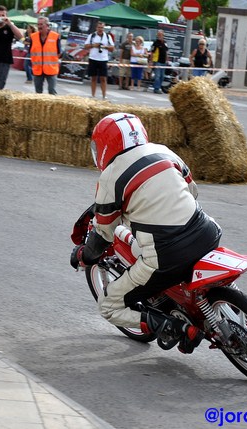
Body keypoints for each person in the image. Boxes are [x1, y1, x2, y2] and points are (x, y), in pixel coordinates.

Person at [70, 112, 222, 354]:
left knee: (108, 306)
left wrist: (86, 256)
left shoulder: (110, 178)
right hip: (208, 231)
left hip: (167, 256)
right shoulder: (164, 151)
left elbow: (104, 233)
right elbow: (191, 190)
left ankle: (178, 327)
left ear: (106, 145)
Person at [30, 16, 61, 96]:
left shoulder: (55, 37)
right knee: (38, 93)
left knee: (52, 91)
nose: (39, 26)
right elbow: (31, 51)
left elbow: (59, 53)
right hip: (38, 69)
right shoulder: (33, 37)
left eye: (41, 24)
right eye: (38, 24)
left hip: (51, 69)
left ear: (47, 25)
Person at [83, 21, 114, 100]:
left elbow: (112, 48)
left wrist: (105, 47)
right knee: (93, 78)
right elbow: (85, 46)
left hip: (103, 59)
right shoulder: (92, 36)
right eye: (99, 27)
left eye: (102, 28)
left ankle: (104, 95)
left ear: (104, 28)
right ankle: (93, 95)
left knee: (103, 78)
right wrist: (94, 45)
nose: (100, 29)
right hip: (93, 58)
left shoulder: (107, 36)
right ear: (96, 28)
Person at [150, 29, 168, 94]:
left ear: (163, 35)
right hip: (157, 61)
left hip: (163, 62)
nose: (160, 36)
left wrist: (167, 60)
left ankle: (159, 87)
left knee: (162, 76)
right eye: (159, 35)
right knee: (157, 76)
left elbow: (166, 52)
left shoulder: (165, 42)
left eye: (161, 35)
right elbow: (152, 52)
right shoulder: (155, 43)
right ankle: (156, 88)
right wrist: (151, 61)